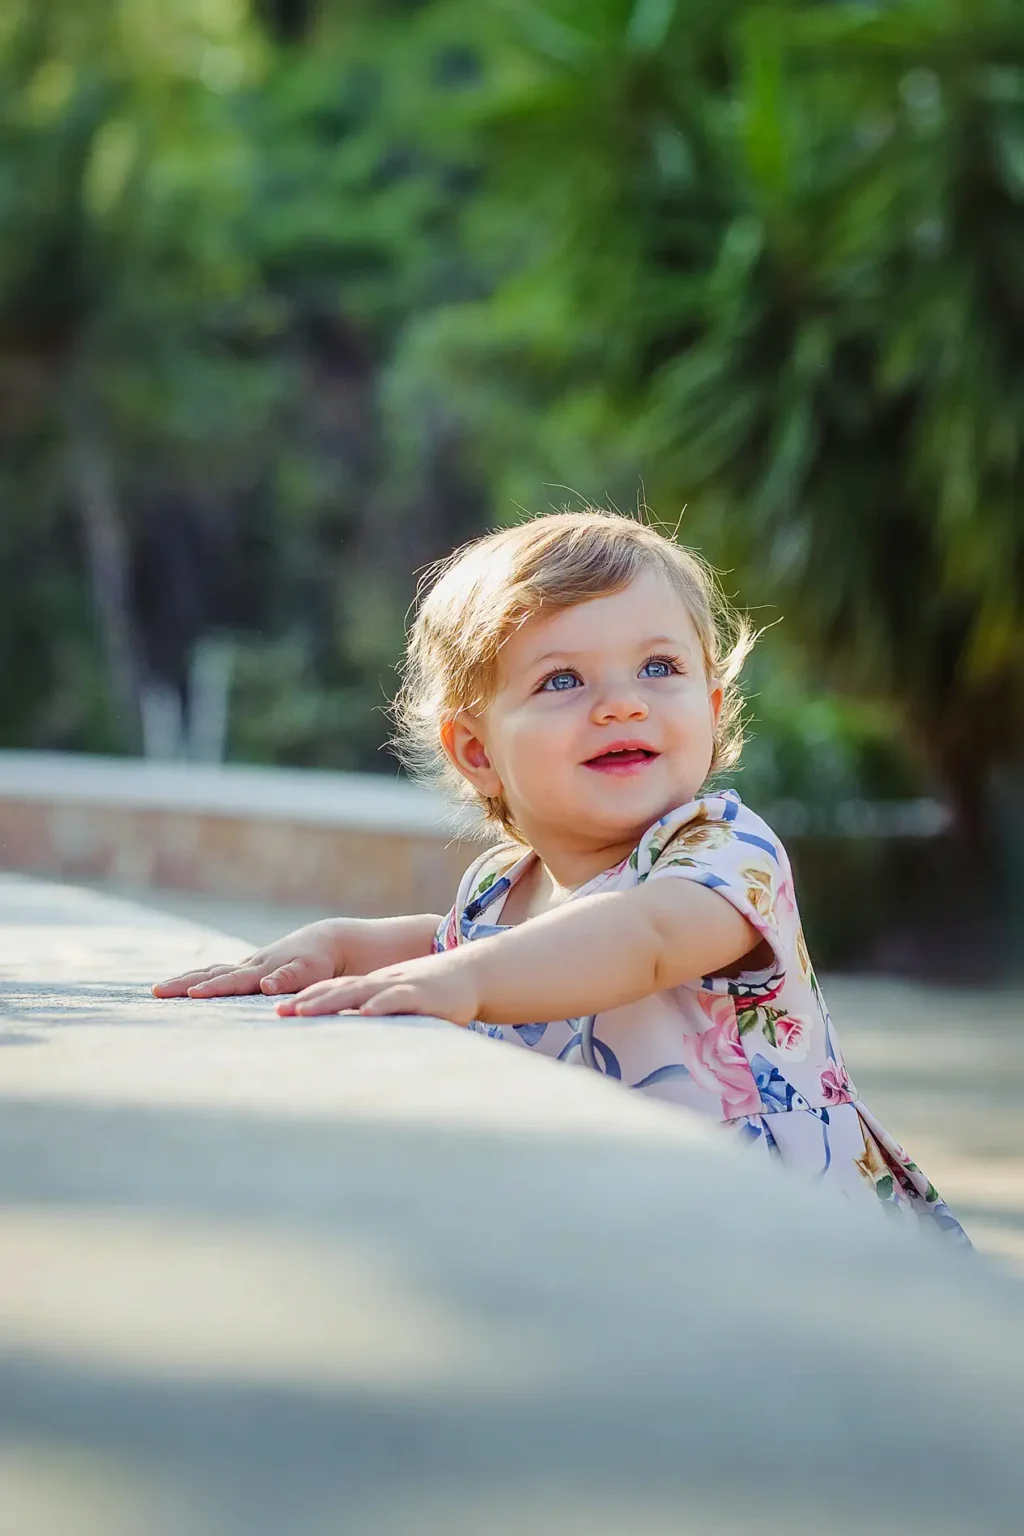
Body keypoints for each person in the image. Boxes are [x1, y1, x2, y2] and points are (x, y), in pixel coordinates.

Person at [155, 509, 969, 1242]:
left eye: (659, 668)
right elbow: (463, 944)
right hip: (637, 1224)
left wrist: (463, 979)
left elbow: (641, 938)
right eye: (563, 681)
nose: (621, 704)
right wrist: (342, 945)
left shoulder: (722, 851)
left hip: (800, 1226)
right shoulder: (501, 889)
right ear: (477, 753)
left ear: (713, 709)